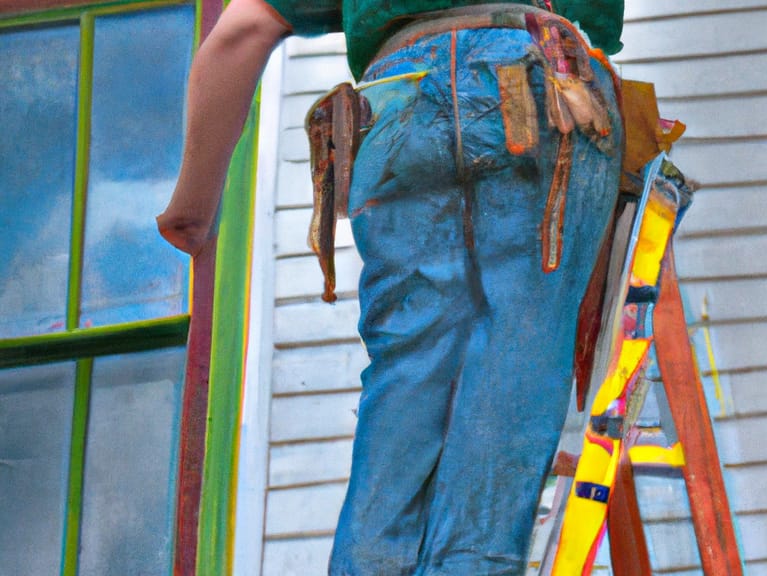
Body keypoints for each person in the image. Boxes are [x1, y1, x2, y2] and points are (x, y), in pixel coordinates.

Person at [157, 1, 625, 574]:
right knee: (516, 352)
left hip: (399, 106)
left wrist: (192, 208)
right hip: (536, 86)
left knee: (407, 373)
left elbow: (244, 27)